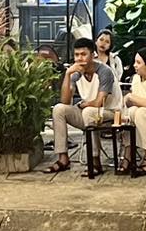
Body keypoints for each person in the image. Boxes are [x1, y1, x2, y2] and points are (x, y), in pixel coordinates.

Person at [45, 36, 118, 174]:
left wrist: (84, 105)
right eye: (77, 55)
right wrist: (68, 74)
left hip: (111, 114)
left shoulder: (104, 71)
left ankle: (95, 161)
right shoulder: (77, 74)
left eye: (84, 54)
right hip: (89, 114)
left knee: (89, 111)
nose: (80, 58)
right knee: (59, 109)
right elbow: (65, 101)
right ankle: (63, 159)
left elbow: (99, 102)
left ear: (93, 55)